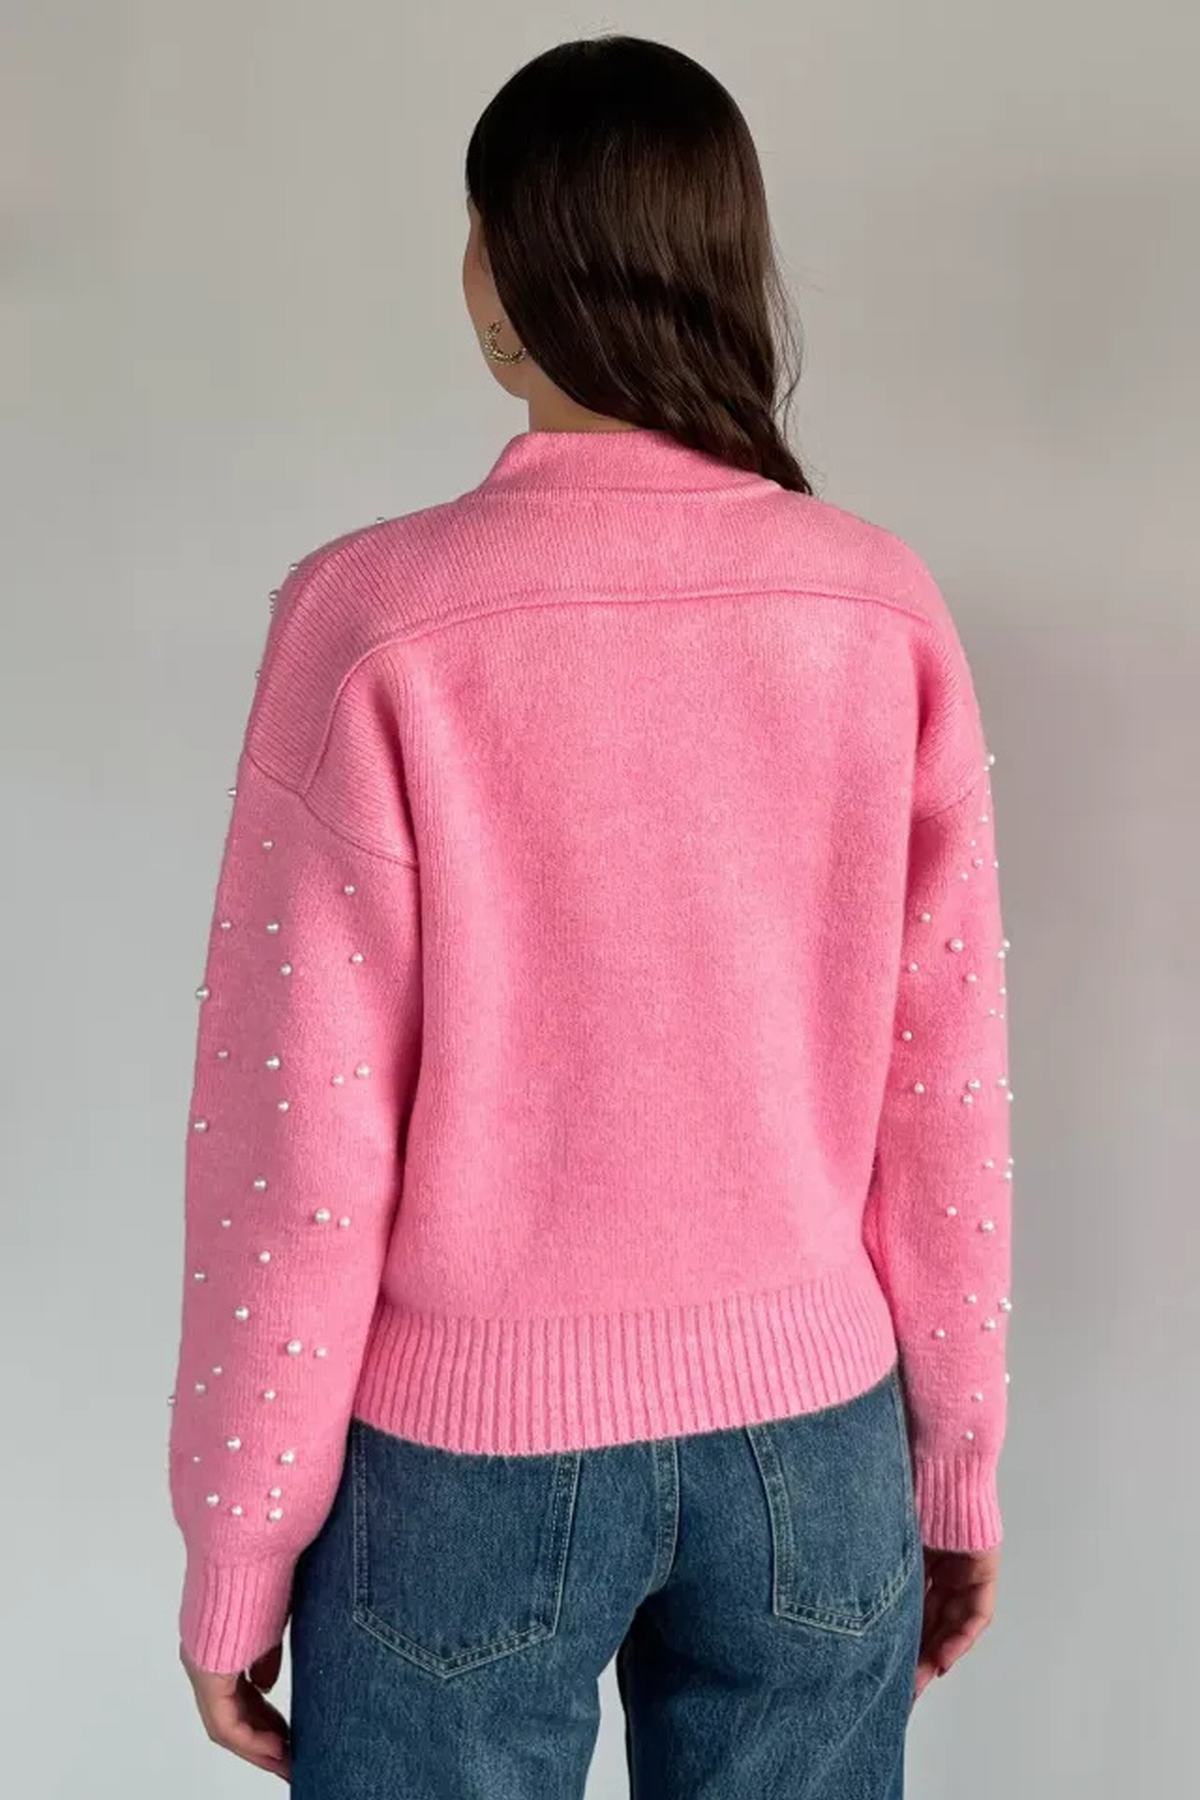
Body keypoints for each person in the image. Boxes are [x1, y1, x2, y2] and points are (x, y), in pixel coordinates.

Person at [168, 33, 1011, 1798]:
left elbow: (299, 1136)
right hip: (816, 1450)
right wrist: (955, 1464)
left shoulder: (377, 619)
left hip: (462, 1466)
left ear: (496, 266)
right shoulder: (876, 607)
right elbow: (943, 1095)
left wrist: (243, 1542)